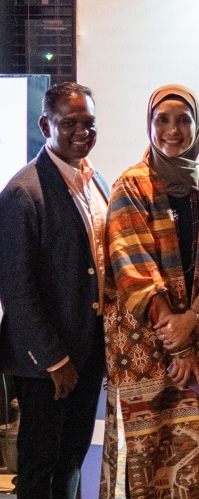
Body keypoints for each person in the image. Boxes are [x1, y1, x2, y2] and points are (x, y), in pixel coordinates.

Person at [100, 84, 199, 499]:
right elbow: (132, 265)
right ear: (149, 124)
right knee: (144, 449)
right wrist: (177, 343)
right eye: (162, 119)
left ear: (197, 125)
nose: (172, 130)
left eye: (183, 119)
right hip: (142, 343)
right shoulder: (131, 185)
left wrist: (190, 322)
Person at [0, 82, 108, 499]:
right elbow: (16, 289)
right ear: (46, 124)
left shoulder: (96, 179)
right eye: (69, 123)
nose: (82, 131)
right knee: (40, 468)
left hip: (88, 351)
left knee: (71, 461)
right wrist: (54, 360)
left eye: (89, 122)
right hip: (48, 363)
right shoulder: (22, 193)